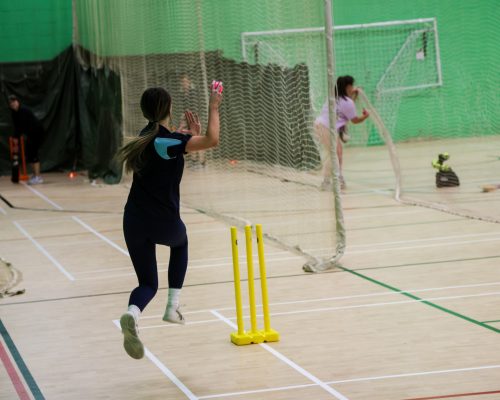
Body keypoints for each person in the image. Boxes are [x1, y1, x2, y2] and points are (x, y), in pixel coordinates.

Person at [116, 82, 223, 360]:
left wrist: (185, 136)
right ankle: (172, 307)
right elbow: (212, 140)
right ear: (168, 107)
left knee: (147, 284)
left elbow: (170, 145)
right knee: (181, 243)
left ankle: (132, 313)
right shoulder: (167, 142)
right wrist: (213, 106)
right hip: (161, 221)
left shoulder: (146, 137)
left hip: (133, 221)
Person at [314, 75, 369, 190]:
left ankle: (330, 180)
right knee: (336, 154)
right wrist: (365, 117)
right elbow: (354, 120)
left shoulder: (334, 97)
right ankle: (333, 180)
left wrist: (353, 94)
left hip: (319, 125)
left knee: (335, 153)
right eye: (351, 86)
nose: (353, 88)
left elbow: (346, 106)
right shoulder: (347, 102)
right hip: (326, 128)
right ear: (347, 87)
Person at [8, 95, 46, 185]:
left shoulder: (23, 111)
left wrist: (16, 137)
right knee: (29, 154)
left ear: (18, 102)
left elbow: (21, 126)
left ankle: (38, 177)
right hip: (30, 134)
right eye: (11, 103)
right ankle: (35, 175)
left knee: (33, 154)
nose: (13, 104)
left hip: (37, 132)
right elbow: (17, 127)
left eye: (14, 101)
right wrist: (15, 137)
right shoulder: (14, 113)